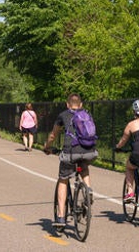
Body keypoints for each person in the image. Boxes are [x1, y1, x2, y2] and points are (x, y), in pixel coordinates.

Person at [43, 93, 98, 228]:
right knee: (84, 167)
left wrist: (47, 147)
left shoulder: (63, 115)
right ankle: (88, 190)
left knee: (63, 179)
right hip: (89, 152)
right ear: (81, 104)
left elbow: (53, 135)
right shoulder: (87, 115)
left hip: (70, 153)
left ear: (67, 104)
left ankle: (61, 217)